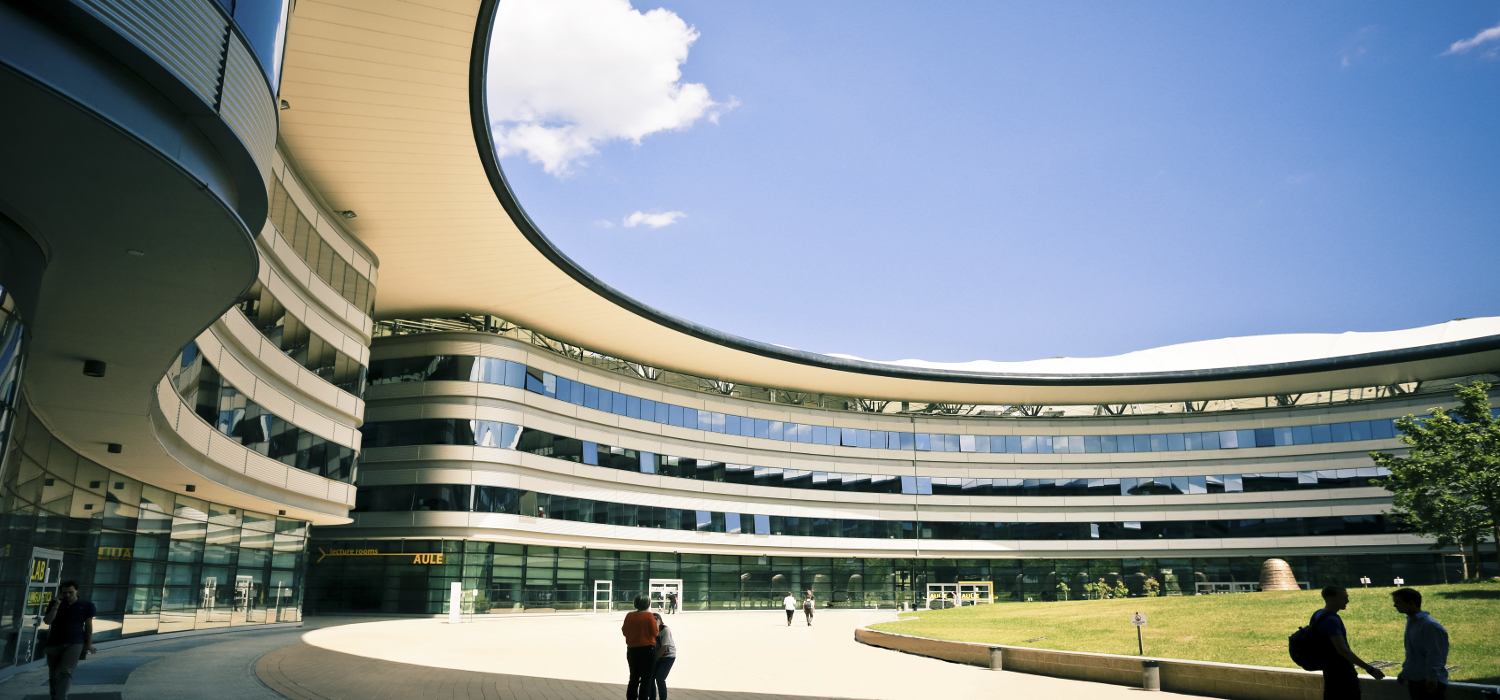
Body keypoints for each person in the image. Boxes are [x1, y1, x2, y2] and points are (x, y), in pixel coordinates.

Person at [1312, 586, 1384, 700]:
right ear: (1330, 599)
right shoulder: (1332, 620)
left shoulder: (1318, 614)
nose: (1347, 601)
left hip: (1329, 668)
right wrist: (1369, 668)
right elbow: (1342, 649)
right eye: (1343, 598)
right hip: (1342, 671)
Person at [43, 581, 97, 700]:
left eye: (70, 592)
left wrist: (89, 644)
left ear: (76, 591)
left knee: (66, 671)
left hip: (75, 642)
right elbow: (47, 621)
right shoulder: (54, 604)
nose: (67, 595)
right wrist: (56, 605)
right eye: (64, 593)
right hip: (54, 642)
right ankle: (55, 697)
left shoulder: (87, 605)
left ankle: (61, 698)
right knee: (54, 673)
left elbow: (88, 625)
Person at [1393, 588, 1449, 700]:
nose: (1394, 605)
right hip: (1415, 680)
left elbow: (1435, 654)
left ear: (1411, 603)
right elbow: (1413, 653)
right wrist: (1405, 672)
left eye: (1398, 602)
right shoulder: (1413, 622)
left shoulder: (1429, 626)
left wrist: (1432, 679)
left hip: (1427, 682)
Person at [621, 595, 659, 700]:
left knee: (634, 677)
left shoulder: (629, 615)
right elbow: (655, 632)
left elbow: (624, 631)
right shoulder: (649, 615)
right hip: (648, 650)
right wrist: (656, 624)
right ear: (647, 604)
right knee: (646, 679)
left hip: (632, 650)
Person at [652, 612, 676, 700]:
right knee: (651, 679)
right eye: (652, 619)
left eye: (656, 619)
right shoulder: (650, 630)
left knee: (660, 678)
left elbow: (664, 647)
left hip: (668, 657)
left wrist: (654, 660)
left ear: (660, 621)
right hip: (657, 656)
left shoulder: (665, 630)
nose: (654, 621)